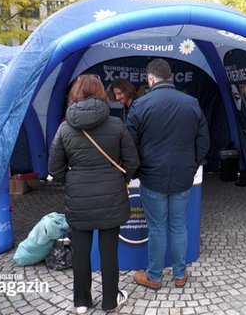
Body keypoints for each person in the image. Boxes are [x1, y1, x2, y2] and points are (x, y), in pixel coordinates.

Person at [48, 74, 140, 314]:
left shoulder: (64, 128)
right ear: (101, 93)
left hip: (79, 198)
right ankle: (110, 301)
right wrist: (121, 178)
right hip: (111, 195)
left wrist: (73, 180)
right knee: (109, 250)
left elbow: (54, 169)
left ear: (75, 94)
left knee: (80, 252)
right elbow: (132, 161)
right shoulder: (116, 125)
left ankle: (81, 302)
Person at [126, 59, 210, 290]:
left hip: (152, 177)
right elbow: (203, 142)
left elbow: (129, 144)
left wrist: (136, 171)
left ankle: (154, 277)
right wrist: (191, 166)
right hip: (183, 177)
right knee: (179, 226)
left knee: (157, 228)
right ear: (170, 78)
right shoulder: (191, 103)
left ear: (151, 80)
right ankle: (180, 275)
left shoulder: (141, 105)